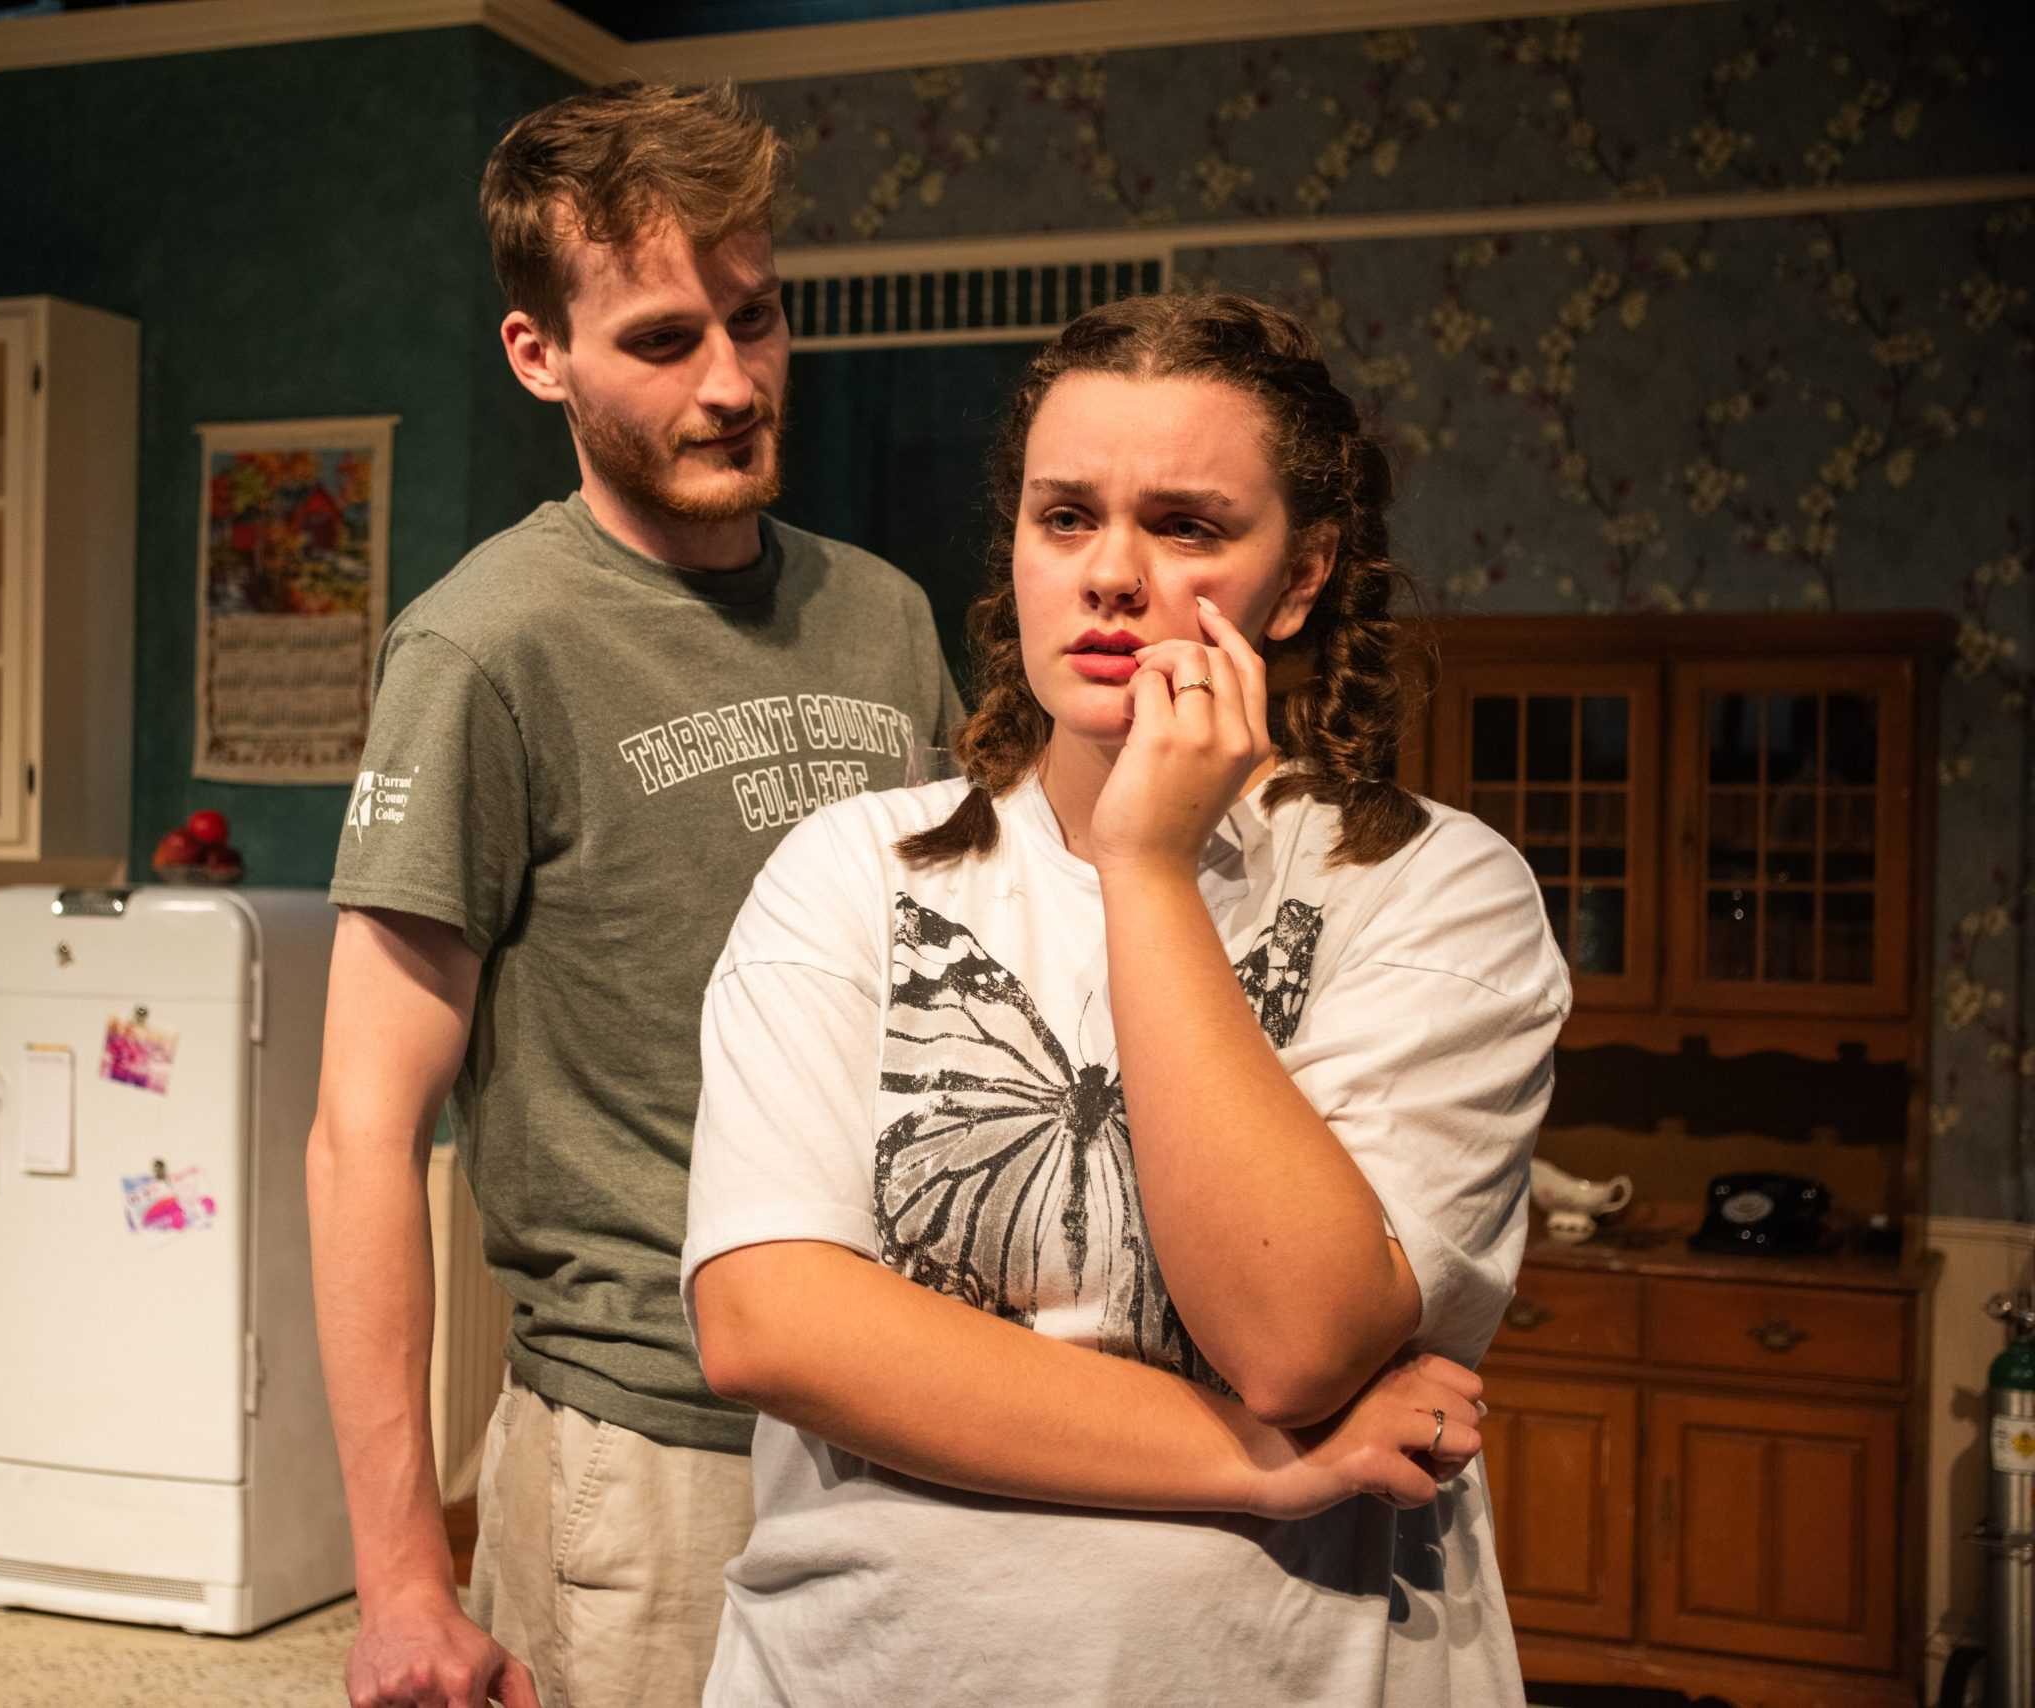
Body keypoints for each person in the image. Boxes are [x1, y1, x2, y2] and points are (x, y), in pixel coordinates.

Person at [685, 291, 1569, 1704]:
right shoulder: (857, 868)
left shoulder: (1432, 889)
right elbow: (774, 1323)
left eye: (1189, 526)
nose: (1113, 575)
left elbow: (1288, 1337)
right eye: (1066, 517)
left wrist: (1147, 871)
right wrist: (1266, 1464)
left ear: (1301, 576)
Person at [309, 81, 962, 1708]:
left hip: (922, 1414)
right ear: (543, 358)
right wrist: (400, 1583)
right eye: (667, 340)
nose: (734, 384)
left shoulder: (883, 620)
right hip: (649, 1457)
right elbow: (359, 1130)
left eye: (758, 321)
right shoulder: (487, 648)